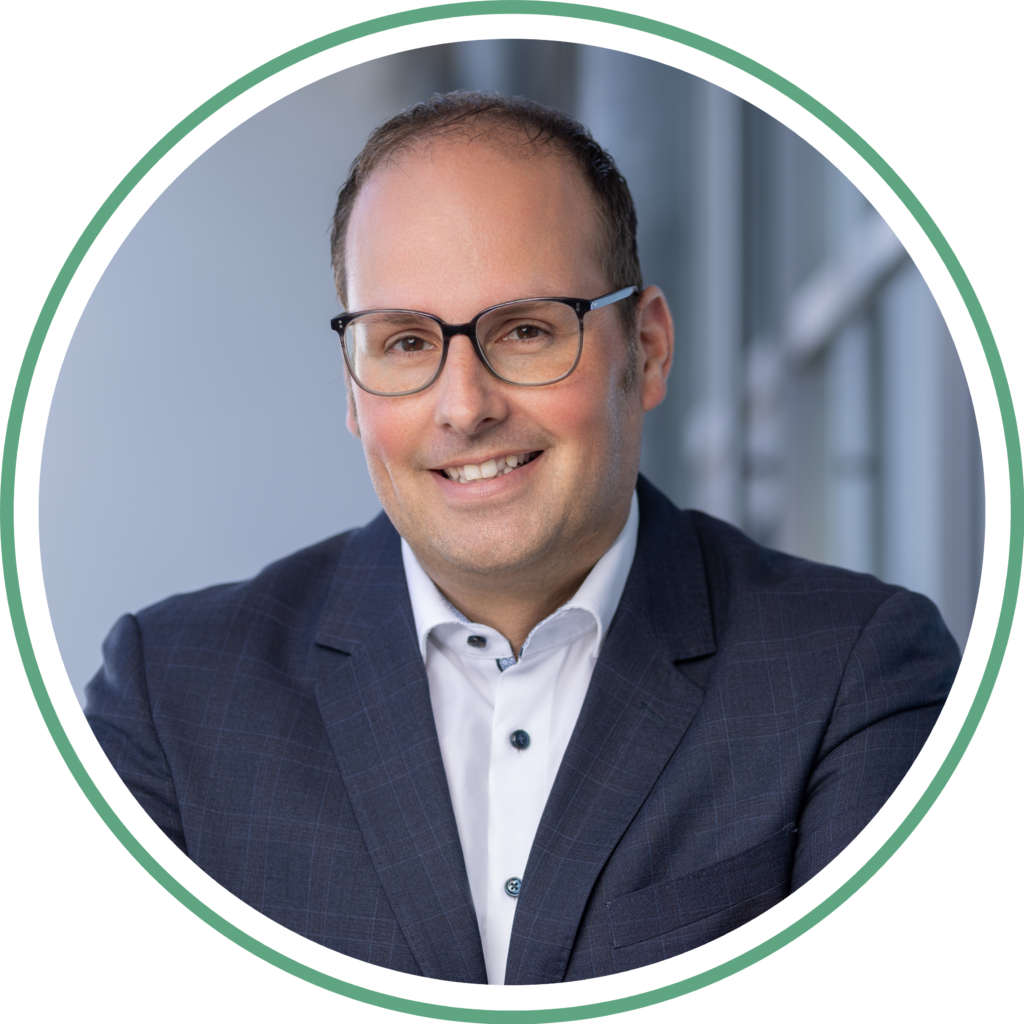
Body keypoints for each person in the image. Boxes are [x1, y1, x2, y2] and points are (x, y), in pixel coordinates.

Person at [85, 91, 959, 986]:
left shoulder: (853, 673)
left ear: (648, 349)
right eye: (405, 343)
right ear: (352, 387)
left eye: (528, 331)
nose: (465, 407)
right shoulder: (170, 700)